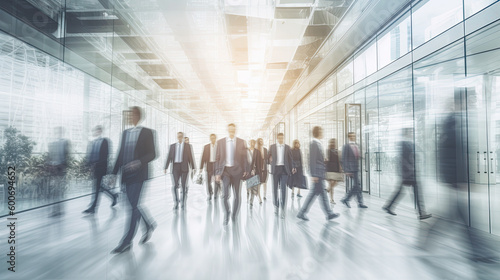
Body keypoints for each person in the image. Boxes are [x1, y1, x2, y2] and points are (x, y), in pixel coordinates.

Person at [111, 106, 157, 254]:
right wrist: (113, 174)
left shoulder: (148, 132)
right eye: (129, 114)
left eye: (131, 114)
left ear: (138, 116)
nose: (129, 117)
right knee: (132, 205)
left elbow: (153, 153)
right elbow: (120, 154)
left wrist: (139, 162)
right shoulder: (125, 133)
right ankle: (148, 224)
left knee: (132, 207)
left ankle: (126, 241)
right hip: (125, 175)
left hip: (139, 174)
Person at [383, 128, 431, 220]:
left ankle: (388, 206)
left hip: (408, 173)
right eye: (410, 132)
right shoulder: (404, 144)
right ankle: (421, 213)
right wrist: (409, 170)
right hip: (409, 173)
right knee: (417, 192)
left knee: (401, 191)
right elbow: (403, 160)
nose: (412, 134)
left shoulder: (409, 144)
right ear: (406, 134)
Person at [297, 126, 339, 221]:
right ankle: (328, 213)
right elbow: (311, 160)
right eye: (321, 131)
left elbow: (317, 159)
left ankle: (304, 212)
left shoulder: (318, 143)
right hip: (317, 174)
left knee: (318, 194)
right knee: (318, 194)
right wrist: (313, 174)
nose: (322, 133)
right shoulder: (314, 144)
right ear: (318, 132)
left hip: (319, 173)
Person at [215, 123, 249, 225]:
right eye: (230, 129)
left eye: (233, 130)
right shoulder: (220, 142)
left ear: (235, 130)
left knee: (237, 195)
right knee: (224, 196)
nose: (232, 131)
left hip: (237, 172)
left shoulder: (241, 142)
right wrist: (217, 172)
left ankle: (234, 215)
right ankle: (227, 213)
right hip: (225, 172)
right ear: (227, 130)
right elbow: (217, 158)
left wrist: (246, 170)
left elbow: (245, 158)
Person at [83, 125, 117, 214]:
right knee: (99, 187)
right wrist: (88, 166)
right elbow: (90, 156)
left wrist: (96, 164)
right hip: (94, 168)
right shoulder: (92, 142)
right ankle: (113, 196)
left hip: (101, 167)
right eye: (94, 131)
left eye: (97, 131)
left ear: (100, 131)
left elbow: (106, 155)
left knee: (97, 187)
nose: (95, 132)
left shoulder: (105, 141)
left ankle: (93, 207)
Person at [165, 132, 196, 210]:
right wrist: (166, 167)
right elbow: (169, 157)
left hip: (184, 168)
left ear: (182, 137)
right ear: (177, 137)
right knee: (175, 185)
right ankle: (176, 202)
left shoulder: (188, 146)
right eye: (178, 136)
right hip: (175, 168)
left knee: (183, 186)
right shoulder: (172, 146)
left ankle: (183, 202)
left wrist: (193, 167)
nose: (180, 137)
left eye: (181, 136)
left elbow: (191, 157)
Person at [268, 132, 293, 218]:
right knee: (274, 189)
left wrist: (292, 167)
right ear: (277, 139)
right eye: (279, 138)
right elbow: (268, 157)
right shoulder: (272, 147)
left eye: (282, 138)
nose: (281, 139)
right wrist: (270, 159)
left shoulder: (287, 147)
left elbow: (290, 159)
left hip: (284, 170)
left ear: (283, 138)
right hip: (275, 170)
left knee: (283, 190)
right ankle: (276, 206)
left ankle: (283, 209)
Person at [47, 126, 70, 217]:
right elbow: (49, 155)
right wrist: (49, 165)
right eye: (56, 131)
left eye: (59, 131)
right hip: (53, 169)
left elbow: (67, 156)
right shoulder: (52, 143)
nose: (58, 133)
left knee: (58, 190)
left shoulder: (65, 142)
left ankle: (57, 210)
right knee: (55, 190)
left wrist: (63, 166)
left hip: (60, 169)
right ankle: (57, 210)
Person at [340, 132, 368, 208]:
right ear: (348, 137)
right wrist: (346, 170)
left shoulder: (357, 145)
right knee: (357, 185)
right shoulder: (346, 146)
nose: (353, 137)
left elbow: (357, 156)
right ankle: (351, 200)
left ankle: (351, 200)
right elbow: (343, 159)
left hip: (356, 168)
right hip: (350, 169)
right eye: (351, 136)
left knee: (357, 185)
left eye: (354, 136)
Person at [200, 134, 220, 201]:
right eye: (211, 138)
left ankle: (216, 195)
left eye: (214, 138)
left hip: (217, 166)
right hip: (209, 165)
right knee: (208, 181)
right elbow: (203, 157)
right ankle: (210, 193)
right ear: (210, 139)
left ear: (215, 138)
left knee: (217, 181)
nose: (213, 139)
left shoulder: (219, 147)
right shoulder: (206, 147)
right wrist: (201, 167)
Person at [325, 138, 342, 205]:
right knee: (331, 182)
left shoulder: (337, 151)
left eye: (334, 142)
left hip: (336, 168)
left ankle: (328, 189)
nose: (333, 143)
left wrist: (340, 168)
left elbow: (338, 161)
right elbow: (327, 159)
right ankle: (332, 199)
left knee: (335, 182)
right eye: (331, 142)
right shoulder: (328, 150)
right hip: (330, 168)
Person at [248, 139, 263, 207]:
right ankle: (249, 199)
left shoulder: (257, 152)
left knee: (254, 187)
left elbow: (260, 162)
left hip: (255, 171)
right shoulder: (246, 151)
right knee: (249, 187)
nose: (252, 143)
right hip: (248, 172)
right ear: (249, 143)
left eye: (253, 142)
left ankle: (251, 201)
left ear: (254, 143)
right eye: (251, 142)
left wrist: (258, 171)